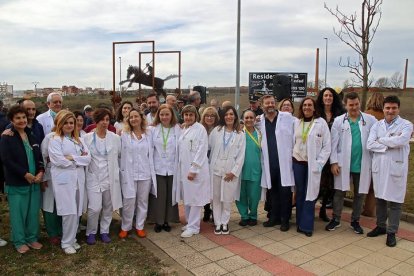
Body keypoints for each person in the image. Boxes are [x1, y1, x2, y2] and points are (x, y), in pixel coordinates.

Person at [325, 92, 377, 234]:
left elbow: (381, 133)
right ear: (345, 105)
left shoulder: (370, 120)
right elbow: (333, 144)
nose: (354, 107)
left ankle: (355, 221)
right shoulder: (339, 121)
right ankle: (336, 219)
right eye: (351, 105)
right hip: (343, 164)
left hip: (362, 164)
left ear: (360, 103)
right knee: (339, 192)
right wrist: (334, 162)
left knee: (360, 194)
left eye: (356, 104)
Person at [366, 96, 413, 247]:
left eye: (393, 108)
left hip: (395, 168)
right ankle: (381, 226)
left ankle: (392, 232)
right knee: (380, 199)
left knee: (395, 201)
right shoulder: (377, 125)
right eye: (388, 108)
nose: (390, 111)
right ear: (384, 108)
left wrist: (381, 140)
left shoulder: (406, 125)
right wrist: (389, 142)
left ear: (398, 109)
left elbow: (402, 140)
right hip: (379, 168)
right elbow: (369, 144)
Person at [0, 105, 45, 253]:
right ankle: (19, 241)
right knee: (18, 214)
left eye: (24, 117)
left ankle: (32, 238)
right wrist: (24, 174)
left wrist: (40, 172)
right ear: (11, 120)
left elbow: (39, 157)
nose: (21, 120)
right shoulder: (7, 136)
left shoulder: (31, 134)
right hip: (18, 182)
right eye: (17, 118)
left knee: (33, 212)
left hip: (34, 182)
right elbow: (7, 160)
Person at [48, 110, 91, 254]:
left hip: (78, 179)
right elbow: (58, 160)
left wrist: (72, 158)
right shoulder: (55, 139)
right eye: (65, 122)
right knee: (68, 211)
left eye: (71, 123)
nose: (69, 125)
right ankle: (66, 243)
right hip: (64, 180)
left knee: (77, 209)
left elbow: (88, 158)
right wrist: (77, 160)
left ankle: (72, 239)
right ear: (59, 123)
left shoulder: (79, 139)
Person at [292, 97, 331, 237]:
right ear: (301, 108)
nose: (307, 107)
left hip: (313, 165)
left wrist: (320, 164)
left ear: (314, 108)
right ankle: (299, 223)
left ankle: (307, 226)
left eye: (310, 105)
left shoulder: (321, 123)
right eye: (305, 105)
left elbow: (327, 146)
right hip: (298, 163)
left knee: (311, 194)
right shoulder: (297, 122)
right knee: (300, 193)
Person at [83, 108, 122, 245]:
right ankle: (91, 232)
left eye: (107, 120)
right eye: (102, 120)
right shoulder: (87, 138)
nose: (105, 123)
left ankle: (104, 231)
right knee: (94, 208)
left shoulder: (115, 138)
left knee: (108, 206)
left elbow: (120, 155)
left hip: (110, 178)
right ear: (96, 121)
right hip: (93, 177)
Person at [258, 95, 295, 231]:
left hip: (284, 163)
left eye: (272, 102)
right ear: (262, 106)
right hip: (270, 163)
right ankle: (273, 218)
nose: (270, 105)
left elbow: (301, 125)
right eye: (267, 103)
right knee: (272, 193)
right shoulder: (260, 120)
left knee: (285, 193)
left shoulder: (287, 117)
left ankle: (285, 220)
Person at [119, 108, 156, 238]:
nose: (133, 119)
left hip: (145, 173)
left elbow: (164, 127)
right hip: (130, 174)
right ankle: (126, 227)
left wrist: (182, 125)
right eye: (131, 117)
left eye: (136, 116)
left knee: (142, 201)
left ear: (141, 118)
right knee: (129, 201)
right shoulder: (124, 135)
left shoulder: (149, 133)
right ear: (128, 120)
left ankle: (140, 226)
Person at [174, 105, 210, 238]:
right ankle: (190, 222)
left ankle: (194, 227)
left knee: (195, 199)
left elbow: (202, 150)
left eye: (191, 115)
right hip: (184, 169)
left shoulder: (200, 129)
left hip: (196, 170)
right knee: (188, 198)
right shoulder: (185, 129)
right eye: (186, 115)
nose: (188, 117)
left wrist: (194, 169)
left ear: (196, 116)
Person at [209, 106, 245, 235]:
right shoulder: (217, 131)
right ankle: (218, 223)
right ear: (223, 117)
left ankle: (225, 222)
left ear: (235, 116)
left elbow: (241, 156)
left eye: (231, 114)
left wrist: (234, 172)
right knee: (216, 198)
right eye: (226, 114)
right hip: (215, 169)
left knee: (227, 199)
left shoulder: (240, 134)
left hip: (230, 172)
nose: (229, 117)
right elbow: (208, 147)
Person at [147, 104, 180, 233]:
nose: (164, 117)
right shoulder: (153, 130)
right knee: (159, 196)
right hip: (158, 168)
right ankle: (158, 221)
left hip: (172, 168)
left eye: (167, 114)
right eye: (161, 114)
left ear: (172, 115)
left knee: (170, 195)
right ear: (158, 116)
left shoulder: (177, 129)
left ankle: (167, 221)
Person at [37, 93, 64, 245]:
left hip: (64, 173)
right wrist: (44, 176)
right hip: (49, 170)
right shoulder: (42, 122)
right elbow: (42, 154)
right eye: (55, 102)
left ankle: (62, 230)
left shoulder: (67, 131)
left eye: (60, 102)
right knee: (49, 203)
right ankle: (53, 232)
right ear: (48, 104)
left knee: (62, 201)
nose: (58, 104)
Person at [316, 87, 345, 222]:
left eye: (330, 96)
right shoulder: (317, 113)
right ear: (322, 98)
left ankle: (323, 210)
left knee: (330, 185)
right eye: (325, 95)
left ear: (334, 98)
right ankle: (309, 209)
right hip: (319, 153)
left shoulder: (340, 114)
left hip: (333, 153)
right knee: (318, 183)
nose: (328, 98)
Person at [236, 110, 262, 227]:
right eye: (246, 118)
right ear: (243, 119)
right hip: (241, 170)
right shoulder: (239, 134)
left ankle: (253, 215)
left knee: (254, 196)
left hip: (256, 170)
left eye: (251, 117)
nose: (249, 120)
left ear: (255, 118)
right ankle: (244, 216)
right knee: (241, 195)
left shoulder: (260, 134)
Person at [362, 92, 385, 217]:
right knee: (373, 186)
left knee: (360, 183)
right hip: (379, 154)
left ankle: (359, 207)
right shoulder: (385, 116)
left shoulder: (365, 115)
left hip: (364, 153)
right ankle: (369, 211)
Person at [200, 107, 220, 222]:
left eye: (212, 116)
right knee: (205, 186)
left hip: (215, 158)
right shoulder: (200, 128)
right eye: (207, 115)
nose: (209, 118)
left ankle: (215, 210)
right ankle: (207, 209)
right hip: (203, 159)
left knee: (214, 187)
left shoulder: (218, 129)